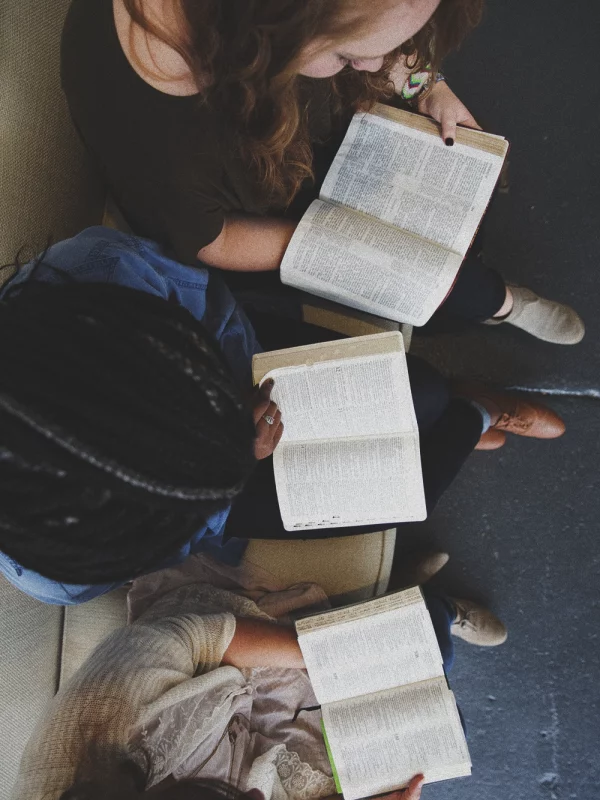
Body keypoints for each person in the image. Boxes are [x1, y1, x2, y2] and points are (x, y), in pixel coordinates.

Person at [0, 227, 566, 605]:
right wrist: (235, 468)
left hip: (235, 359)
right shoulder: (61, 563)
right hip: (216, 494)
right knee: (407, 495)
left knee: (420, 392)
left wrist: (224, 408)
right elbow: (173, 543)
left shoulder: (102, 273)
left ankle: (454, 402)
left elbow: (212, 304)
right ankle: (478, 411)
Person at [60, 0, 584, 345]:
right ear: (272, 32)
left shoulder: (253, 30)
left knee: (454, 228)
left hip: (314, 146)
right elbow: (210, 240)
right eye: (348, 53)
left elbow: (364, 25)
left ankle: (480, 286)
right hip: (265, 221)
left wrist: (426, 83)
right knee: (424, 270)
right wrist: (335, 242)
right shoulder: (153, 133)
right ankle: (500, 304)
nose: (378, 65)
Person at [9, 551, 507, 800]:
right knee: (424, 735)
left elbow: (198, 636)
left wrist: (321, 654)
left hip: (222, 663)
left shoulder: (101, 719)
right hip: (259, 759)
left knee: (416, 652)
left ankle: (430, 610)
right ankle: (397, 606)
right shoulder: (249, 789)